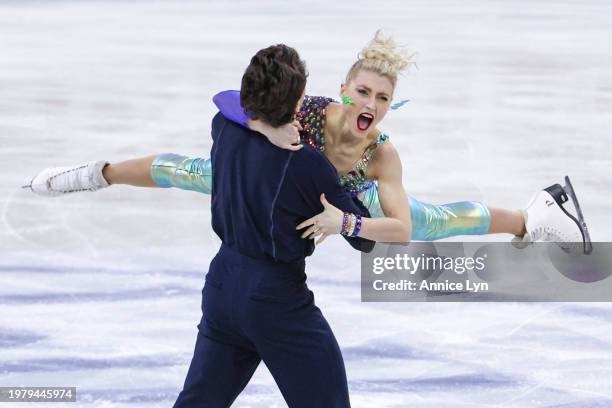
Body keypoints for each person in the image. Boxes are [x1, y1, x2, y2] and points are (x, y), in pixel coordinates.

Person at [25, 32, 590, 250]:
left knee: (431, 220)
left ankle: (530, 216)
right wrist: (270, 128)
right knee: (184, 169)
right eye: (363, 91)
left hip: (347, 201)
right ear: (344, 89)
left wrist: (347, 224)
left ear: (389, 107)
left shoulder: (381, 153)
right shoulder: (308, 110)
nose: (371, 104)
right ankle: (93, 174)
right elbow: (230, 101)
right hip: (282, 181)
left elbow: (399, 231)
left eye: (383, 99)